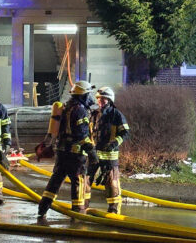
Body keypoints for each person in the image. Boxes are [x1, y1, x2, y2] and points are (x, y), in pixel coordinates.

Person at [37, 81, 92, 221]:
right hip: (76, 154)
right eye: (88, 94)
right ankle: (78, 212)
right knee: (78, 181)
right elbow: (81, 134)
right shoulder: (80, 110)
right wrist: (91, 151)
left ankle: (43, 207)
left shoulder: (66, 107)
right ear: (83, 95)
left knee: (56, 180)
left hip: (62, 152)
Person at [93, 87, 130, 216]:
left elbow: (125, 132)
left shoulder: (116, 114)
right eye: (98, 98)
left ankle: (113, 211)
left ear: (109, 100)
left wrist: (115, 143)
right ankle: (82, 207)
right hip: (94, 154)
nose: (100, 101)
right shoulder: (94, 114)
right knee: (85, 180)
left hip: (110, 155)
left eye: (103, 99)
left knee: (112, 183)